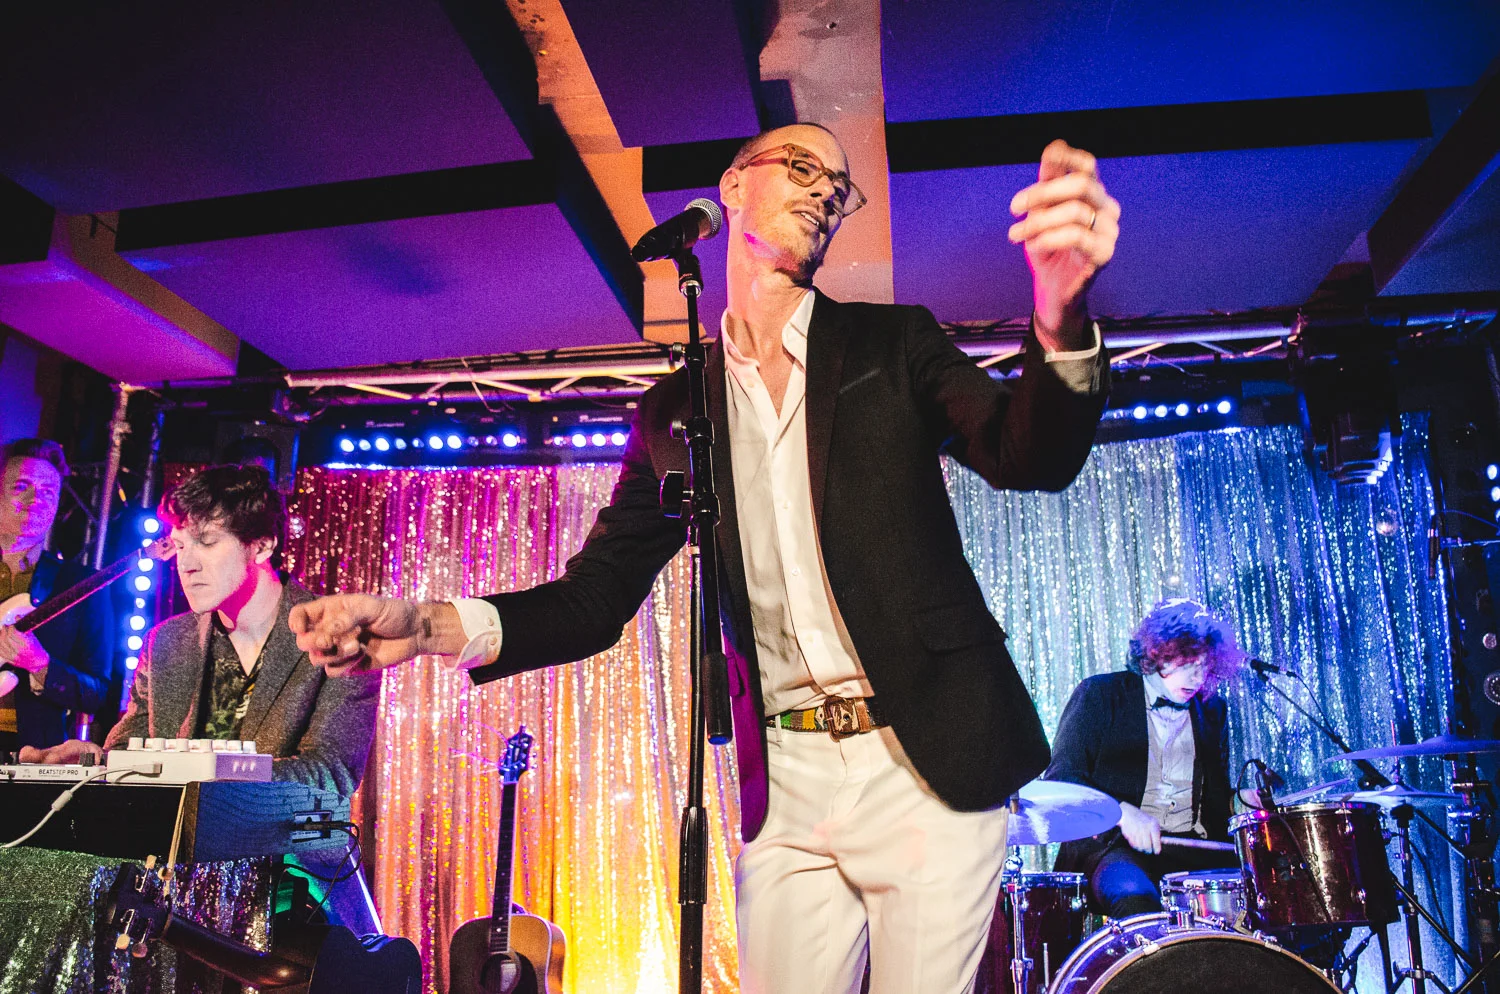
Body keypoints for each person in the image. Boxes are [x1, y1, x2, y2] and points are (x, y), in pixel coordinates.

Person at [289, 125, 1119, 992]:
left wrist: (1059, 313)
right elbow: (595, 597)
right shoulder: (674, 412)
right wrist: (425, 625)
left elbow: (1030, 455)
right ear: (732, 186)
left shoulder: (892, 344)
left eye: (838, 189)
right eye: (802, 168)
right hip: (788, 780)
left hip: (926, 759)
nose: (822, 192)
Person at [1046, 598, 1255, 918]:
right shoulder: (1100, 694)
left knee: (1270, 890)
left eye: (1204, 666)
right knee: (1137, 900)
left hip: (1193, 847)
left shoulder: (1212, 710)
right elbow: (1062, 777)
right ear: (1158, 654)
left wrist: (1238, 802)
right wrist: (1119, 812)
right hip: (1115, 847)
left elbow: (1212, 798)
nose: (1197, 678)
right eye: (1188, 664)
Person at [0, 438, 115, 754]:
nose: (35, 499)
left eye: (49, 492)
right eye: (21, 486)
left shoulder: (82, 585)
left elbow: (97, 693)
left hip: (33, 754)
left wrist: (40, 665)